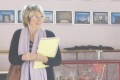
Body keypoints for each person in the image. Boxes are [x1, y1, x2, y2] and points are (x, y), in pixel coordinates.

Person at [8, 4, 61, 80]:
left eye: (41, 16)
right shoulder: (18, 34)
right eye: (35, 17)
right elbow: (11, 59)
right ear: (27, 19)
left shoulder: (49, 34)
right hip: (21, 76)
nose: (39, 20)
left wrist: (44, 59)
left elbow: (58, 60)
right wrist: (22, 57)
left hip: (45, 76)